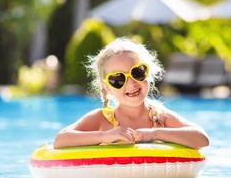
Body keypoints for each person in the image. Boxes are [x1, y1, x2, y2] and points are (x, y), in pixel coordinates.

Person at [53, 37, 209, 150]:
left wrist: (154, 133)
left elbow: (202, 139)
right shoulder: (102, 119)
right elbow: (60, 140)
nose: (131, 83)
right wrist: (104, 136)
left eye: (137, 72)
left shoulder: (159, 117)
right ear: (107, 88)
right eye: (118, 79)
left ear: (149, 73)